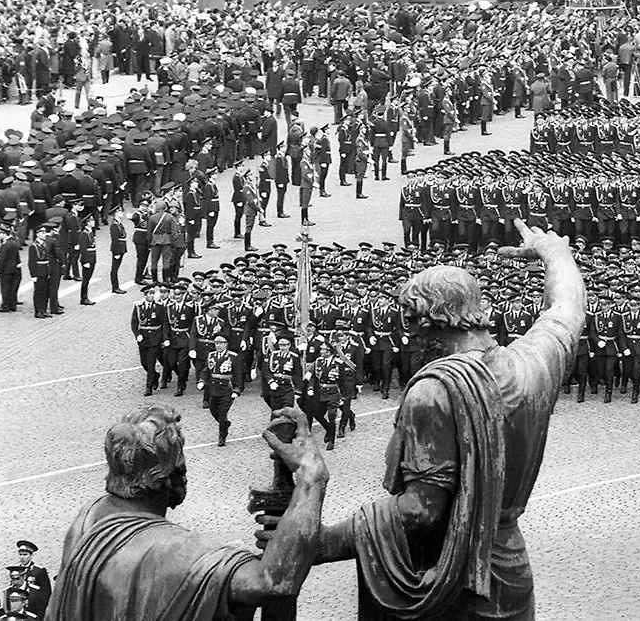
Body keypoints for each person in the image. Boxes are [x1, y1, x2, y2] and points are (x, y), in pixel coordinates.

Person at [258, 219, 586, 619]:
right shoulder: (534, 363)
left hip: (449, 578)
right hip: (510, 572)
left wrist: (324, 541)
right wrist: (555, 252)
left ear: (429, 320)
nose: (407, 335)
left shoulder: (434, 391)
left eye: (409, 321)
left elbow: (421, 510)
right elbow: (567, 306)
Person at [44, 404, 329, 619]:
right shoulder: (181, 553)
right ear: (170, 476)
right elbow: (274, 582)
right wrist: (311, 477)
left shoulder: (88, 518)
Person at [197, 334, 243, 446]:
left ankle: (222, 435)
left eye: (221, 343)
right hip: (213, 388)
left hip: (227, 389)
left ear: (226, 344)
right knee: (213, 410)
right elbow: (206, 371)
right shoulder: (211, 355)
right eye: (216, 343)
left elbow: (237, 374)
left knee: (222, 413)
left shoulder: (233, 357)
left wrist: (237, 389)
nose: (218, 345)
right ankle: (225, 424)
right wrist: (202, 381)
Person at [131, 285, 168, 396]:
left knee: (151, 362)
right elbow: (134, 323)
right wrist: (137, 335)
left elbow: (164, 323)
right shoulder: (139, 307)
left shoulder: (159, 307)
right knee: (144, 363)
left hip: (155, 338)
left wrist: (164, 338)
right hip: (143, 338)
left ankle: (149, 386)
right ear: (145, 295)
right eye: (149, 293)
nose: (151, 295)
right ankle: (155, 376)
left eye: (152, 293)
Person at [14, 541, 49, 619]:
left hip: (34, 608)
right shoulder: (16, 570)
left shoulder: (39, 570)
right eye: (20, 554)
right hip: (19, 607)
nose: (22, 557)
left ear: (31, 555)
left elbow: (46, 593)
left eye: (25, 555)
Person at [0, 222, 21, 313]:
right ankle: (12, 305)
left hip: (6, 270)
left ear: (3, 234)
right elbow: (17, 256)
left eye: (0, 234)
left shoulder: (5, 245)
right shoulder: (13, 242)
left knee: (5, 288)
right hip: (14, 268)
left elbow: (2, 259)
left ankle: (5, 305)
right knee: (12, 288)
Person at [27, 223, 51, 319]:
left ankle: (44, 310)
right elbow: (31, 262)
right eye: (42, 232)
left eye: (45, 232)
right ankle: (38, 311)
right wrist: (33, 275)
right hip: (39, 271)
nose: (44, 234)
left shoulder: (44, 245)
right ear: (37, 234)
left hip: (45, 270)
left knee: (46, 291)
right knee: (39, 292)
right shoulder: (33, 247)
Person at [107, 205, 127, 294]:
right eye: (120, 211)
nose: (121, 213)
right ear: (115, 213)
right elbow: (114, 240)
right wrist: (116, 252)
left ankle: (116, 286)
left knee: (116, 268)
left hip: (121, 248)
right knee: (114, 269)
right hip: (117, 249)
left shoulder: (118, 223)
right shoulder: (114, 225)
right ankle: (115, 287)